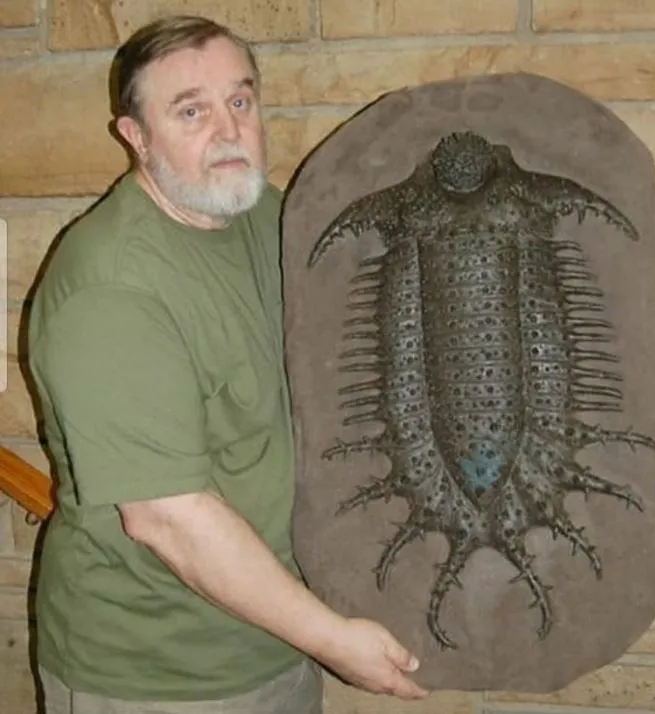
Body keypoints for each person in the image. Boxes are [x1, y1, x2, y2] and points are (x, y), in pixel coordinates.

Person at [26, 14, 429, 714]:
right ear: (135, 136)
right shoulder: (111, 291)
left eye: (240, 100)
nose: (229, 130)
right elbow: (167, 518)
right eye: (192, 111)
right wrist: (332, 639)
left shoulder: (265, 216)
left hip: (276, 635)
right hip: (160, 675)